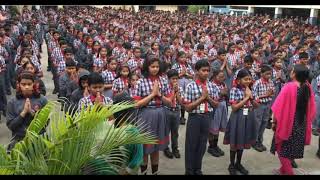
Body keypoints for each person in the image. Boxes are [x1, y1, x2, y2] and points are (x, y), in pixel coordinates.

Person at [270, 64, 316, 175]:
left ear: (294, 74)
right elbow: (312, 107)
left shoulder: (289, 87)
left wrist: (274, 121)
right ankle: (283, 170)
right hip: (301, 123)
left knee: (282, 151)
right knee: (290, 151)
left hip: (288, 124)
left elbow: (278, 107)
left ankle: (289, 172)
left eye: (293, 70)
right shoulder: (307, 86)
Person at [133, 57, 172, 175]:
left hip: (161, 113)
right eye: (152, 66)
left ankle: (155, 172)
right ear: (147, 67)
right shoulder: (140, 82)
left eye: (157, 66)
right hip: (145, 115)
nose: (155, 69)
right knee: (144, 148)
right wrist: (152, 94)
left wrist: (159, 95)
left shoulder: (164, 80)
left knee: (156, 148)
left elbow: (169, 102)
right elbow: (136, 104)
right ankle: (144, 172)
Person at [184, 59, 219, 175]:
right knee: (191, 144)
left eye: (208, 71)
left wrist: (207, 98)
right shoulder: (191, 86)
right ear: (197, 71)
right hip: (195, 117)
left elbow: (216, 104)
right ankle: (189, 170)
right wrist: (202, 98)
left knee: (202, 144)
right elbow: (187, 108)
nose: (206, 73)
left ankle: (197, 168)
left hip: (207, 116)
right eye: (203, 70)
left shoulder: (212, 86)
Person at [223, 69, 257, 175]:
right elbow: (234, 108)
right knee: (235, 141)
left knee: (242, 141)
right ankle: (231, 164)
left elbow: (256, 106)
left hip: (248, 117)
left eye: (249, 79)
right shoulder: (234, 90)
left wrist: (251, 98)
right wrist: (246, 97)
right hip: (238, 118)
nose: (248, 81)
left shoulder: (251, 90)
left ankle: (238, 163)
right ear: (238, 80)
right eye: (245, 79)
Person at [6, 71, 48, 151]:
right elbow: (11, 126)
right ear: (19, 85)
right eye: (23, 84)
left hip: (38, 140)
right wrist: (23, 113)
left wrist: (33, 113)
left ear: (34, 85)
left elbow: (46, 123)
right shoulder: (12, 102)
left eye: (29, 84)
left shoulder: (42, 100)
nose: (26, 87)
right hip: (19, 141)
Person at [252, 64, 275, 152]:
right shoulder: (257, 83)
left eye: (270, 74)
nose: (269, 76)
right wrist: (265, 95)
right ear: (261, 74)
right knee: (257, 123)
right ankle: (254, 141)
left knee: (264, 122)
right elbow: (254, 96)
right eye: (267, 74)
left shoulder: (271, 82)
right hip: (259, 105)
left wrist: (270, 94)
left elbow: (272, 92)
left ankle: (260, 140)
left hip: (267, 104)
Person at [163, 69, 184, 159]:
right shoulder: (165, 88)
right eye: (173, 79)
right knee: (166, 131)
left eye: (176, 79)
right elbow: (167, 101)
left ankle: (175, 148)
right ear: (168, 79)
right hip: (167, 111)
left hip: (176, 111)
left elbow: (181, 102)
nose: (175, 81)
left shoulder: (180, 88)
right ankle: (166, 148)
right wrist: (173, 92)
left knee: (175, 132)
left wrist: (177, 92)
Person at [208, 70, 228, 157]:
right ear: (215, 76)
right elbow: (211, 99)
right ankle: (211, 147)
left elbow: (226, 95)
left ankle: (215, 145)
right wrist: (221, 94)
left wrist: (225, 93)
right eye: (219, 77)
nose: (222, 78)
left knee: (218, 127)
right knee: (213, 128)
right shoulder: (211, 85)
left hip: (222, 106)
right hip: (215, 108)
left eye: (223, 77)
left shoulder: (223, 84)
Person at [171, 51, 194, 125]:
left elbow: (193, 75)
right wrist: (181, 74)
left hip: (187, 84)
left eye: (184, 57)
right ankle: (177, 115)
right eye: (181, 57)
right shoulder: (175, 66)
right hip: (179, 83)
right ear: (177, 58)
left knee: (184, 99)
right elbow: (172, 75)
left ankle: (183, 116)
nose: (183, 59)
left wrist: (186, 74)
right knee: (178, 99)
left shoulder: (188, 66)